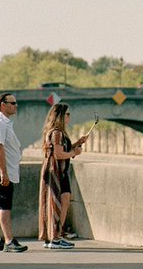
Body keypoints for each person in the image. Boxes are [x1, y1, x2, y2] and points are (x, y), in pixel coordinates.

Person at [0, 92, 27, 252]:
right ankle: (9, 241)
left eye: (16, 103)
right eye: (13, 103)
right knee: (4, 206)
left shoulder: (2, 122)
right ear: (3, 104)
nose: (16, 105)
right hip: (0, 172)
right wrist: (4, 173)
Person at [38, 103, 85, 249]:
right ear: (60, 116)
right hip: (56, 172)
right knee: (58, 203)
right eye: (67, 114)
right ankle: (56, 237)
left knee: (62, 201)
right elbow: (58, 155)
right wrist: (74, 153)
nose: (69, 116)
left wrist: (77, 143)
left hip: (58, 171)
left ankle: (54, 235)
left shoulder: (55, 132)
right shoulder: (57, 133)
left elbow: (59, 151)